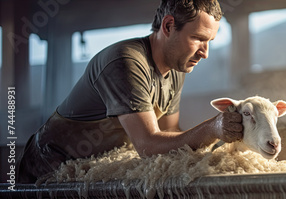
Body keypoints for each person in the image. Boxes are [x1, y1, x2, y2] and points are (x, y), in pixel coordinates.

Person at [17, 0, 243, 183]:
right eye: (198, 39)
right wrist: (214, 128)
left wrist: (215, 154)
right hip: (50, 172)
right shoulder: (126, 62)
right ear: (168, 26)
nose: (205, 53)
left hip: (97, 168)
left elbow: (170, 130)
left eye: (210, 41)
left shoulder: (176, 69)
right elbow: (149, 145)